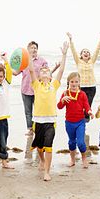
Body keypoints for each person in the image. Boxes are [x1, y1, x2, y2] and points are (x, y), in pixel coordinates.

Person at [28, 39, 69, 181]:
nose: (44, 72)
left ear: (51, 76)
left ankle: (47, 171)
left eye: (47, 71)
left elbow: (62, 70)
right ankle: (41, 159)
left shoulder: (54, 85)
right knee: (40, 147)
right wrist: (28, 55)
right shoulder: (36, 85)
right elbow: (31, 69)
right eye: (42, 71)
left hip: (50, 121)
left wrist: (64, 54)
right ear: (39, 76)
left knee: (48, 146)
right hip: (38, 121)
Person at [57, 72, 93, 169]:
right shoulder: (65, 93)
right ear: (68, 82)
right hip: (69, 122)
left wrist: (89, 111)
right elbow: (59, 107)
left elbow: (86, 105)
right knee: (72, 142)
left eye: (76, 81)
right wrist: (63, 100)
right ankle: (72, 159)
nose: (74, 84)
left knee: (81, 142)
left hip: (80, 122)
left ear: (79, 83)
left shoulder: (82, 94)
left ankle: (84, 158)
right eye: (72, 81)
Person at [14, 41, 49, 136]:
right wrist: (6, 66)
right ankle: (30, 129)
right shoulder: (24, 61)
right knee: (28, 111)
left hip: (38, 90)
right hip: (25, 89)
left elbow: (47, 73)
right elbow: (15, 72)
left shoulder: (42, 61)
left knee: (39, 110)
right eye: (32, 48)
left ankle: (39, 129)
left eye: (35, 48)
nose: (34, 49)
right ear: (28, 49)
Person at [68, 32, 100, 110]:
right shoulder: (78, 61)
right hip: (81, 86)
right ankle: (80, 119)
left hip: (91, 86)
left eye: (88, 52)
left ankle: (86, 119)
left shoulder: (92, 61)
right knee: (80, 105)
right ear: (81, 55)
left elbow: (97, 50)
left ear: (89, 55)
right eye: (84, 52)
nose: (86, 53)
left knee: (88, 105)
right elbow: (73, 51)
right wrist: (70, 40)